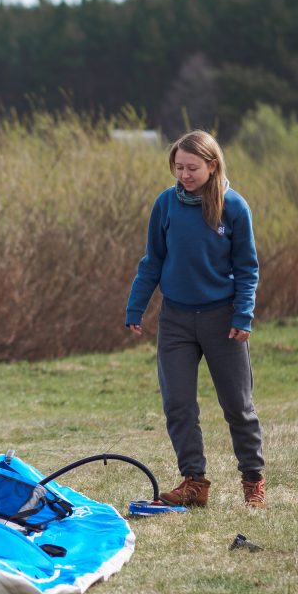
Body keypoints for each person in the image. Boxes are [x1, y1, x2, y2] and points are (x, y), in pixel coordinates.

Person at [124, 129, 265, 508]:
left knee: (238, 404)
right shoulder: (165, 205)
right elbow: (152, 260)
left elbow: (247, 268)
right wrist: (136, 307)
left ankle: (253, 482)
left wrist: (243, 315)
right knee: (178, 404)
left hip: (223, 321)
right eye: (178, 167)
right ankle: (194, 483)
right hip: (176, 320)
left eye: (192, 168)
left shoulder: (233, 207)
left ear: (212, 165)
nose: (184, 175)